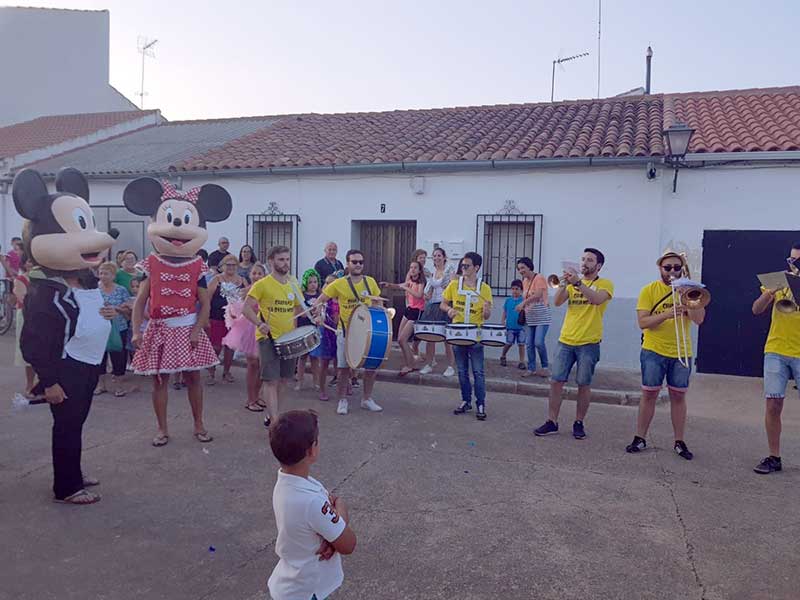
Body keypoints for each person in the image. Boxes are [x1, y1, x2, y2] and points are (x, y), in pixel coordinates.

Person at [14, 167, 119, 505]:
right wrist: (50, 381)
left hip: (88, 364)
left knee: (76, 424)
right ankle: (67, 487)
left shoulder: (83, 278)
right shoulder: (43, 291)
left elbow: (92, 307)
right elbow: (33, 342)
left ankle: (73, 472)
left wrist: (107, 313)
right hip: (65, 369)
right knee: (66, 425)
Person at [125, 177, 232, 448]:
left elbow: (205, 302)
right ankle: (162, 429)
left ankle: (199, 425)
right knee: (159, 381)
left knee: (194, 377)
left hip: (187, 329)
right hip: (159, 328)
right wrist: (137, 331)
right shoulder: (151, 262)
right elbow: (140, 301)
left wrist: (197, 329)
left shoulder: (198, 264)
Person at [267, 410, 357, 600]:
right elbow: (348, 544)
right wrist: (340, 506)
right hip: (307, 591)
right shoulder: (311, 501)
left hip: (292, 584)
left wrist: (333, 535)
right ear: (311, 450)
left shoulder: (287, 483)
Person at [626, 251, 706, 460]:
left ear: (682, 269)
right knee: (649, 394)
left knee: (678, 396)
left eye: (676, 267)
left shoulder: (691, 290)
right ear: (660, 268)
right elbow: (643, 322)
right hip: (653, 351)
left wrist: (687, 296)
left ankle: (679, 441)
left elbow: (699, 320)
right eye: (667, 267)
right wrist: (667, 314)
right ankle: (640, 437)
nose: (672, 271)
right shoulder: (649, 290)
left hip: (681, 351)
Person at [534, 248, 613, 439]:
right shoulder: (572, 284)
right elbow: (558, 302)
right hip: (566, 340)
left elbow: (596, 300)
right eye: (583, 259)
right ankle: (552, 421)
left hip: (589, 342)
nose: (585, 262)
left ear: (598, 265)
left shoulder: (605, 284)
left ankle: (579, 422)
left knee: (583, 384)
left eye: (590, 260)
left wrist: (578, 283)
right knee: (556, 382)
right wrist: (564, 283)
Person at [315, 249, 384, 415]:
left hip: (367, 333)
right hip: (345, 332)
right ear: (347, 263)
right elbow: (320, 300)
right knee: (343, 369)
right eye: (354, 262)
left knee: (371, 367)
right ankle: (342, 400)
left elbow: (378, 304)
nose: (358, 265)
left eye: (361, 262)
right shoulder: (339, 283)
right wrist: (318, 316)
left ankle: (366, 399)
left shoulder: (371, 282)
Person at [752, 243, 800, 474]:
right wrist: (769, 293)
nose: (792, 265)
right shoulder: (778, 280)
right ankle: (774, 457)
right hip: (776, 349)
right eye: (790, 260)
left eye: (797, 262)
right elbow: (756, 309)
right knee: (773, 403)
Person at [243, 245, 303, 426]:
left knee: (284, 380)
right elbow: (246, 308)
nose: (285, 263)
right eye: (281, 259)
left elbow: (299, 308)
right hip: (268, 338)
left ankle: (273, 414)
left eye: (287, 259)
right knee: (270, 380)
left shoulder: (293, 283)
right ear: (271, 261)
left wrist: (314, 316)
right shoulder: (263, 284)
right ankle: (276, 421)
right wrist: (260, 324)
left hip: (289, 338)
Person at [441, 252, 493, 421]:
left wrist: (486, 310)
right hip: (458, 334)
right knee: (462, 371)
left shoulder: (484, 288)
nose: (463, 268)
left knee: (478, 372)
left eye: (467, 266)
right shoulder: (454, 285)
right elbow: (443, 303)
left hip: (476, 336)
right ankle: (466, 400)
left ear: (476, 268)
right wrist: (449, 310)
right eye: (462, 265)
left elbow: (487, 315)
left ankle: (481, 403)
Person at [222, 262, 268, 412]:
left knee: (263, 365)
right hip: (249, 329)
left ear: (264, 275)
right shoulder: (244, 292)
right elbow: (235, 309)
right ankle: (250, 399)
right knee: (252, 364)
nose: (256, 276)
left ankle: (258, 395)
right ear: (250, 275)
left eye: (259, 273)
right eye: (254, 273)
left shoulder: (267, 290)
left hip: (264, 328)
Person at [207, 254, 247, 385]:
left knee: (231, 346)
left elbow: (247, 299)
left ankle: (226, 372)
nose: (231, 267)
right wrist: (205, 317)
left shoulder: (242, 281)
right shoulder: (216, 279)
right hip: (217, 318)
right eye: (228, 265)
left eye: (233, 265)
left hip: (235, 320)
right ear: (222, 266)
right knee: (216, 346)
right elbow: (207, 299)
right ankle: (211, 371)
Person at [383, 260, 426, 376]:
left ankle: (410, 365)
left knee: (403, 339)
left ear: (419, 270)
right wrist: (389, 285)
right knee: (400, 340)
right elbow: (399, 285)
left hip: (417, 312)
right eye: (411, 267)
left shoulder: (421, 282)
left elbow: (419, 295)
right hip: (409, 310)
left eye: (415, 268)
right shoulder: (410, 281)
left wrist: (407, 288)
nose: (412, 270)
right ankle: (411, 361)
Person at [96, 262, 133, 397]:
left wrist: (117, 309)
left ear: (113, 275)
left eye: (106, 273)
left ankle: (119, 386)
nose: (103, 276)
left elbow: (129, 308)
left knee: (119, 356)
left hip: (119, 328)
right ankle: (101, 385)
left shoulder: (121, 289)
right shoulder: (95, 290)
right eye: (100, 273)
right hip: (100, 328)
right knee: (100, 357)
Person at [419, 247, 456, 377]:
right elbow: (430, 290)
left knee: (447, 338)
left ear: (444, 257)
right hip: (433, 306)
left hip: (445, 305)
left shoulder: (449, 270)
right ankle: (429, 364)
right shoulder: (432, 273)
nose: (436, 258)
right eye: (434, 256)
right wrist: (427, 295)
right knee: (430, 337)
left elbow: (452, 286)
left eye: (439, 255)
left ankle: (451, 366)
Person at [516, 257, 550, 378]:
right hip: (529, 317)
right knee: (529, 344)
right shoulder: (524, 281)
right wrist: (522, 305)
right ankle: (531, 368)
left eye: (522, 268)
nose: (521, 271)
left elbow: (538, 294)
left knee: (539, 342)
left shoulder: (539, 278)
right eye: (519, 269)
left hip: (542, 316)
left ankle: (545, 367)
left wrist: (523, 303)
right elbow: (526, 297)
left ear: (529, 266)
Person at [12, 254, 38, 397]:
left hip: (43, 317)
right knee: (28, 351)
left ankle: (43, 383)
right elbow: (23, 298)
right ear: (24, 263)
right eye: (29, 261)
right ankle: (29, 384)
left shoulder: (44, 278)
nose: (31, 263)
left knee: (44, 350)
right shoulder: (20, 279)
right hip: (26, 316)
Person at [296, 268, 322, 391]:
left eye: (315, 282)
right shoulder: (302, 296)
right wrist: (306, 312)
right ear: (306, 282)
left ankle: (316, 382)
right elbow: (299, 312)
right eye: (310, 282)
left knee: (315, 358)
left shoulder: (320, 296)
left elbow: (322, 311)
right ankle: (299, 381)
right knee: (302, 357)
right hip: (303, 328)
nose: (313, 284)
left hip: (315, 329)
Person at [316, 275, 340, 402]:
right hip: (326, 334)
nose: (328, 285)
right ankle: (322, 389)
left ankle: (343, 385)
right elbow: (318, 308)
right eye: (326, 283)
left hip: (340, 333)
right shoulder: (324, 301)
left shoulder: (342, 299)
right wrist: (319, 317)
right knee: (324, 363)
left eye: (331, 283)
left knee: (340, 362)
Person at [500, 279, 527, 369]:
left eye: (517, 289)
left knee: (521, 344)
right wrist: (502, 321)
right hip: (510, 326)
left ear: (521, 290)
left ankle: (522, 361)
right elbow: (505, 311)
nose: (514, 291)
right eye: (513, 289)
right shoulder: (508, 300)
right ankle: (503, 356)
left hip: (521, 327)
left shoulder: (523, 300)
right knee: (508, 343)